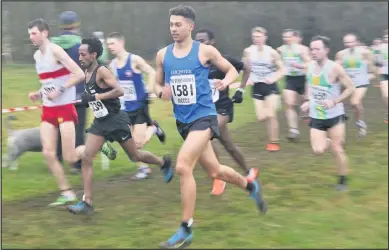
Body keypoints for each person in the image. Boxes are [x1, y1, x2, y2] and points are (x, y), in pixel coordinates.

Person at [155, 5, 267, 248]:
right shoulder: (163, 55)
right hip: (183, 122)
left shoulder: (204, 51)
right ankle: (250, 186)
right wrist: (160, 91)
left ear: (190, 26)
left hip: (205, 117)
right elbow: (157, 83)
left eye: (178, 24)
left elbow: (231, 71)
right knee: (215, 171)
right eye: (171, 24)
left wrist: (224, 83)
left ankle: (186, 229)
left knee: (184, 166)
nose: (174, 29)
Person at [67, 37, 173, 214]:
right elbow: (94, 96)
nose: (80, 57)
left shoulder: (102, 71)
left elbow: (119, 90)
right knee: (86, 157)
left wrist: (95, 98)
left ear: (93, 55)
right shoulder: (86, 73)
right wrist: (87, 101)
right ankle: (87, 202)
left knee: (135, 155)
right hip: (100, 122)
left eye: (83, 54)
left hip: (116, 121)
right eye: (79, 54)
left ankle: (163, 163)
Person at [28, 18, 86, 206]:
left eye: (34, 33)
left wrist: (60, 91)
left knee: (70, 157)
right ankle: (66, 192)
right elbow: (48, 82)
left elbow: (79, 74)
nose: (31, 37)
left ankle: (96, 146)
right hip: (48, 109)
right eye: (29, 34)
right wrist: (38, 93)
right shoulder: (37, 57)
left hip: (64, 107)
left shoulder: (56, 51)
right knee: (48, 153)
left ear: (45, 33)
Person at [51, 11, 117, 173]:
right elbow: (101, 60)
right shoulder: (81, 44)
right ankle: (77, 164)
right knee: (78, 129)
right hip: (78, 93)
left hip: (57, 93)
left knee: (60, 126)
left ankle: (58, 160)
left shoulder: (53, 45)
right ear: (76, 25)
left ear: (61, 26)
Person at [195, 28, 258, 196]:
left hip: (222, 108)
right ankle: (249, 171)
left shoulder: (223, 60)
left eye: (203, 40)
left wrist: (241, 90)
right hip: (205, 109)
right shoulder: (196, 62)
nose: (199, 44)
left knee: (205, 136)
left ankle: (219, 178)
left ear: (212, 42)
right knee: (228, 144)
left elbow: (247, 69)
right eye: (197, 40)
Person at [107, 32, 166, 179]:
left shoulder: (134, 60)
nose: (110, 47)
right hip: (124, 109)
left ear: (122, 43)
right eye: (108, 44)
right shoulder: (113, 65)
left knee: (138, 144)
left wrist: (148, 88)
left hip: (139, 106)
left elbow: (152, 72)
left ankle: (153, 128)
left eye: (113, 43)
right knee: (129, 144)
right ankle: (144, 168)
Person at [300, 35, 354, 191]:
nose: (314, 52)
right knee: (317, 150)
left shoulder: (334, 68)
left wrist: (334, 101)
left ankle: (342, 180)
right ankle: (329, 142)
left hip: (334, 115)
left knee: (338, 149)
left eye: (317, 49)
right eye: (312, 49)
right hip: (317, 116)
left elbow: (350, 88)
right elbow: (310, 85)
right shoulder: (309, 66)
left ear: (326, 50)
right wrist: (308, 101)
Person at [243, 27, 286, 152]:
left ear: (265, 37)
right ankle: (272, 136)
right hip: (257, 86)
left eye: (259, 36)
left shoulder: (272, 52)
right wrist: (248, 79)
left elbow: (282, 69)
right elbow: (245, 67)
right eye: (254, 37)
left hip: (270, 86)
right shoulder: (248, 51)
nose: (257, 39)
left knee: (271, 115)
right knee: (262, 117)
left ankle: (274, 142)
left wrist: (274, 78)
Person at [335, 33, 377, 137]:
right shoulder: (340, 54)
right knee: (339, 102)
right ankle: (341, 117)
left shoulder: (365, 53)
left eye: (351, 42)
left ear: (357, 42)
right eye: (346, 42)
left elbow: (373, 69)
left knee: (355, 102)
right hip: (347, 83)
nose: (349, 44)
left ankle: (360, 123)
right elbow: (336, 68)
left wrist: (369, 76)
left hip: (361, 82)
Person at [277, 29, 311, 140]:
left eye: (288, 37)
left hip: (304, 78)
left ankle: (319, 122)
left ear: (294, 37)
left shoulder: (302, 49)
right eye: (284, 37)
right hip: (290, 78)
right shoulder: (281, 50)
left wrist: (299, 66)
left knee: (308, 102)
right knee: (289, 103)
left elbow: (310, 63)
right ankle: (293, 130)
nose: (286, 39)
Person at [377, 30, 388, 123]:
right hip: (384, 73)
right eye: (385, 37)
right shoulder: (381, 48)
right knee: (386, 95)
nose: (387, 39)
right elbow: (377, 62)